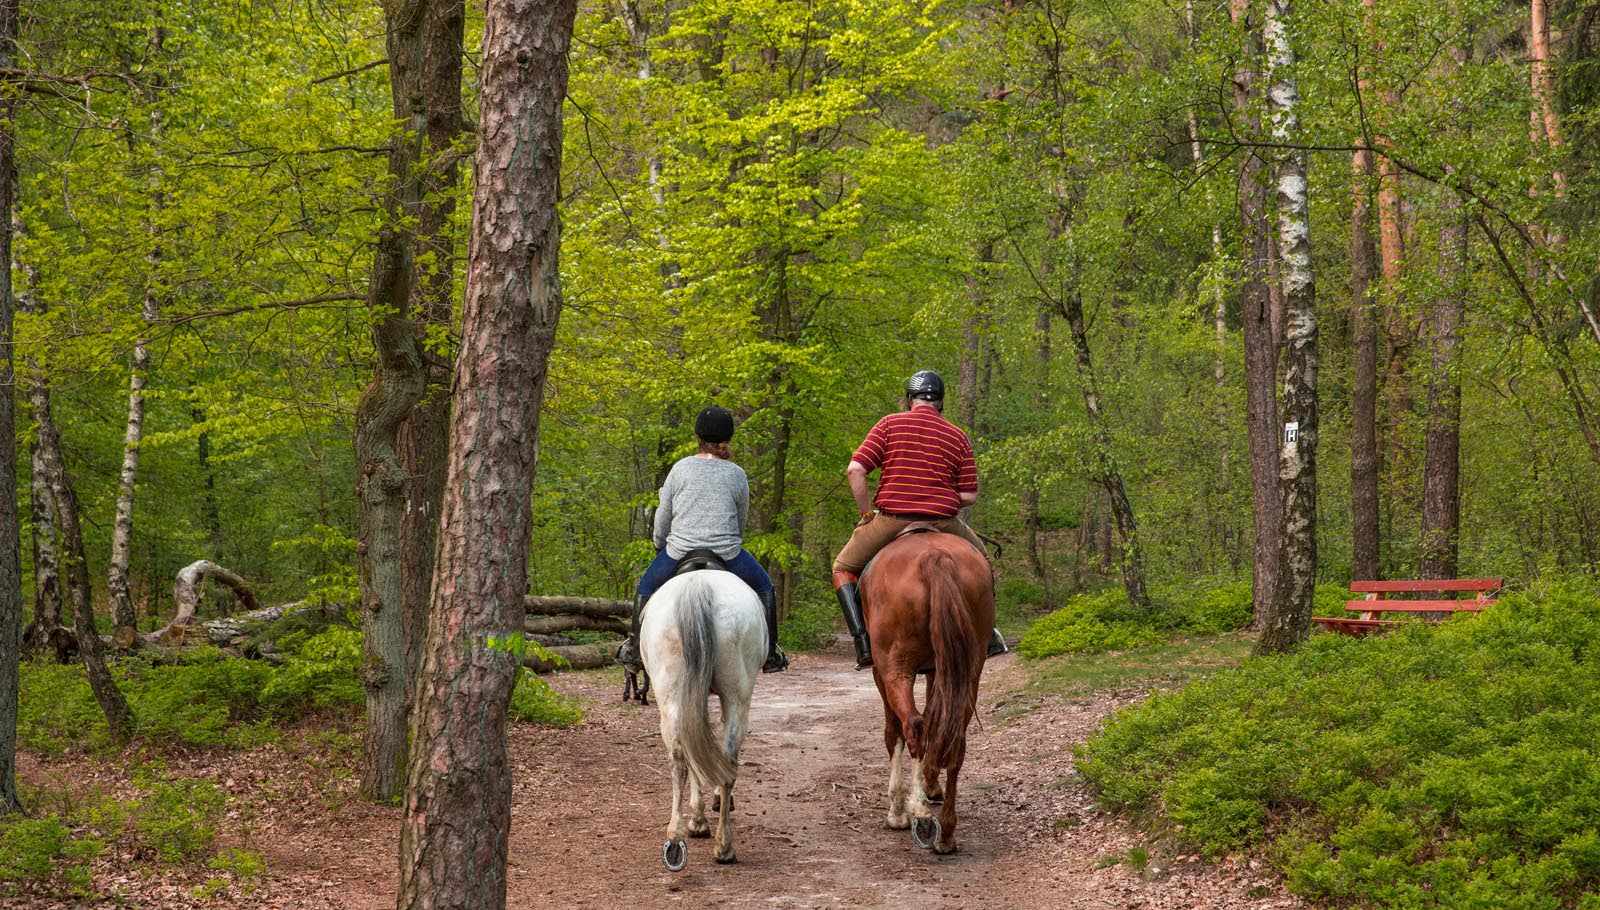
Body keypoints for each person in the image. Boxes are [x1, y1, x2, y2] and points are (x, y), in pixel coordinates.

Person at [831, 370, 1007, 669]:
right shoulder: (957, 435)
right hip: (944, 522)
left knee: (842, 568)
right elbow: (969, 495)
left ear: (909, 399)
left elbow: (855, 470)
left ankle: (863, 644)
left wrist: (865, 514)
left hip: (892, 520)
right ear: (940, 402)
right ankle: (988, 635)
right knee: (983, 563)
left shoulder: (889, 424)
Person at [617, 406, 789, 673]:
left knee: (645, 587)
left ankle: (634, 648)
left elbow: (663, 518)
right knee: (765, 587)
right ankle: (771, 652)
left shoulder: (679, 469)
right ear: (727, 440)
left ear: (698, 436)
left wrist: (659, 543)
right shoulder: (737, 474)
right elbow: (740, 521)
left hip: (679, 550)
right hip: (727, 552)